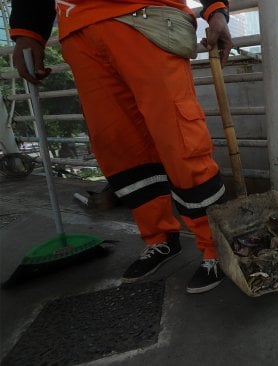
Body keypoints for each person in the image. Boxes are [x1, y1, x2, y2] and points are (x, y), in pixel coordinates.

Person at [10, 0, 234, 294]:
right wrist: (28, 31)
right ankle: (159, 240)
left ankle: (215, 247)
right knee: (120, 147)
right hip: (78, 32)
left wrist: (216, 10)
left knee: (180, 140)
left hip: (146, 17)